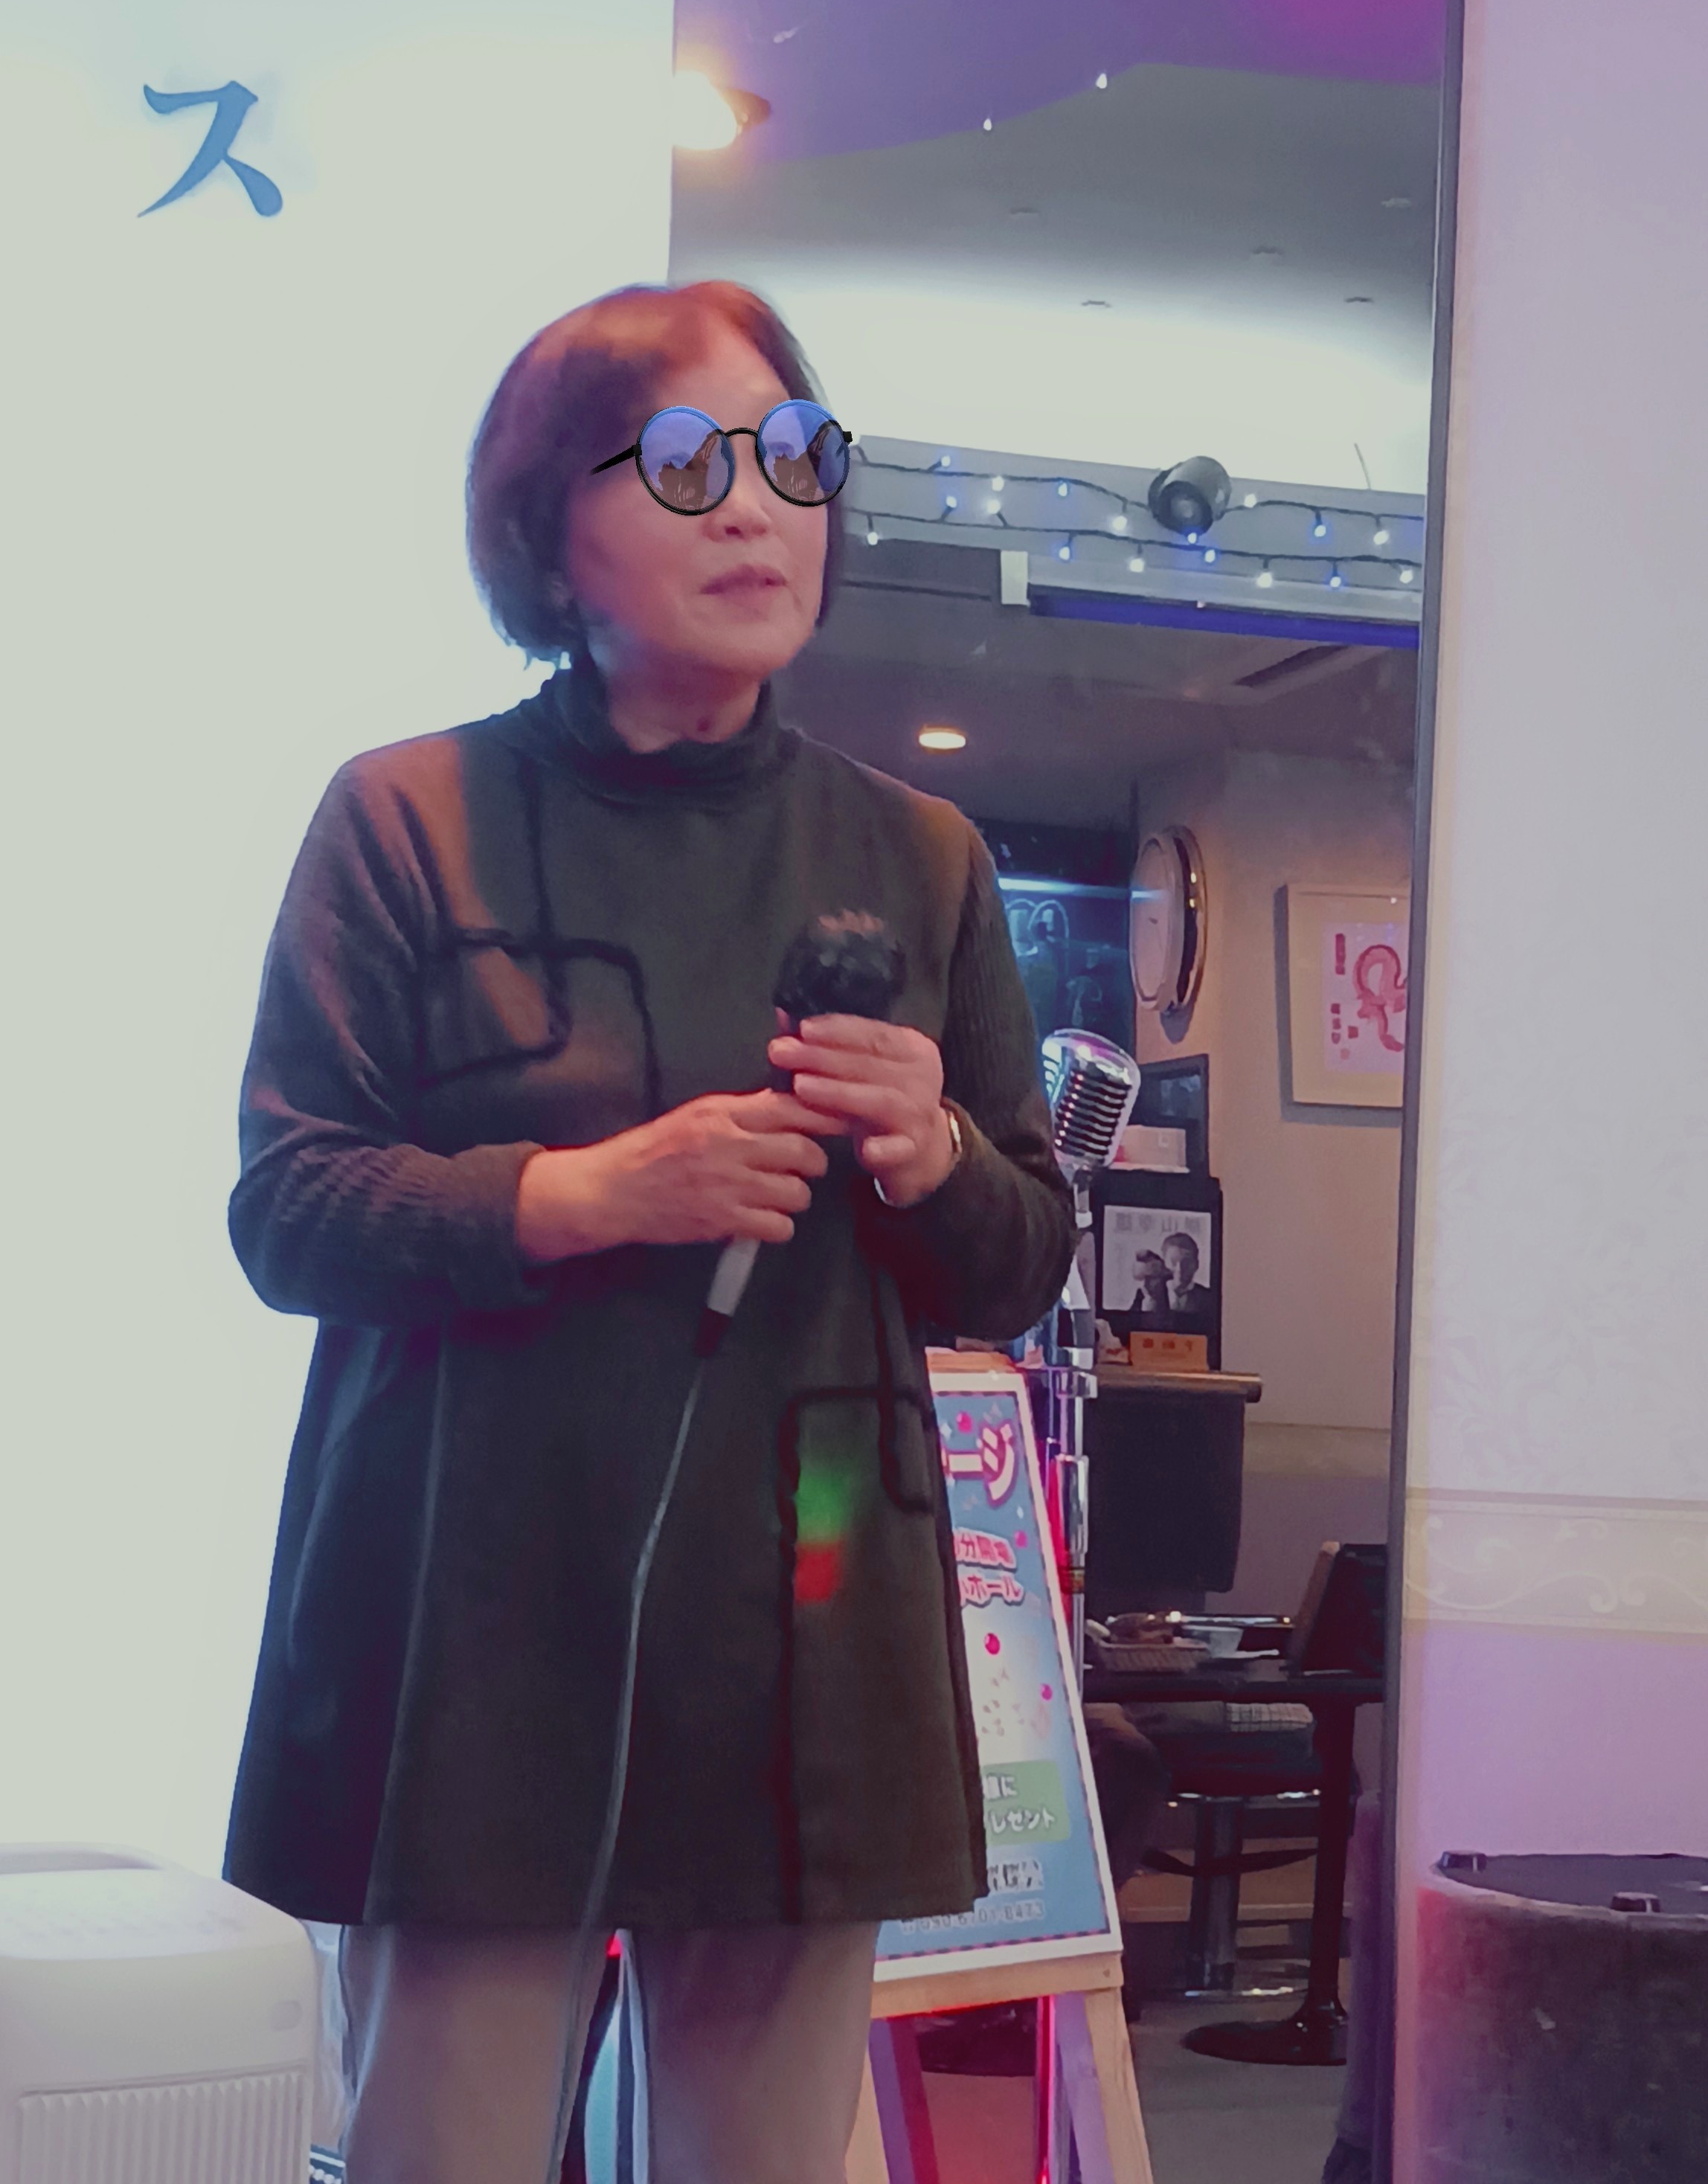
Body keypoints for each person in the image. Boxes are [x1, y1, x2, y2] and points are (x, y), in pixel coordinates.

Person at [221, 279, 1073, 2184]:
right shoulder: (407, 817)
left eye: (794, 457)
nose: (757, 506)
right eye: (686, 461)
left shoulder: (919, 856)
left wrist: (931, 1149)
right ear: (549, 529)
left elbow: (1020, 1259)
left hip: (810, 1620)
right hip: (473, 1628)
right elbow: (288, 1207)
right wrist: (588, 1194)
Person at [1160, 1230, 1214, 1329]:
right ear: (1164, 1264)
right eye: (1173, 1262)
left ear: (1196, 1264)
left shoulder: (1209, 1300)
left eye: (1186, 1262)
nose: (1179, 1269)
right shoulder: (1149, 1295)